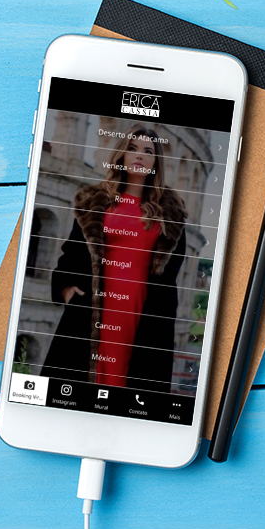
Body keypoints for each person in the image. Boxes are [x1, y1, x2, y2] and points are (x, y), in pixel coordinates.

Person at [42, 124, 187, 393]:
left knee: (130, 388)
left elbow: (171, 273)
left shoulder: (170, 213)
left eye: (148, 151)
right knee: (80, 385)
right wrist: (66, 289)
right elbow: (72, 252)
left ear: (156, 162)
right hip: (93, 309)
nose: (139, 156)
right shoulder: (96, 202)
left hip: (142, 312)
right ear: (122, 155)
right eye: (133, 149)